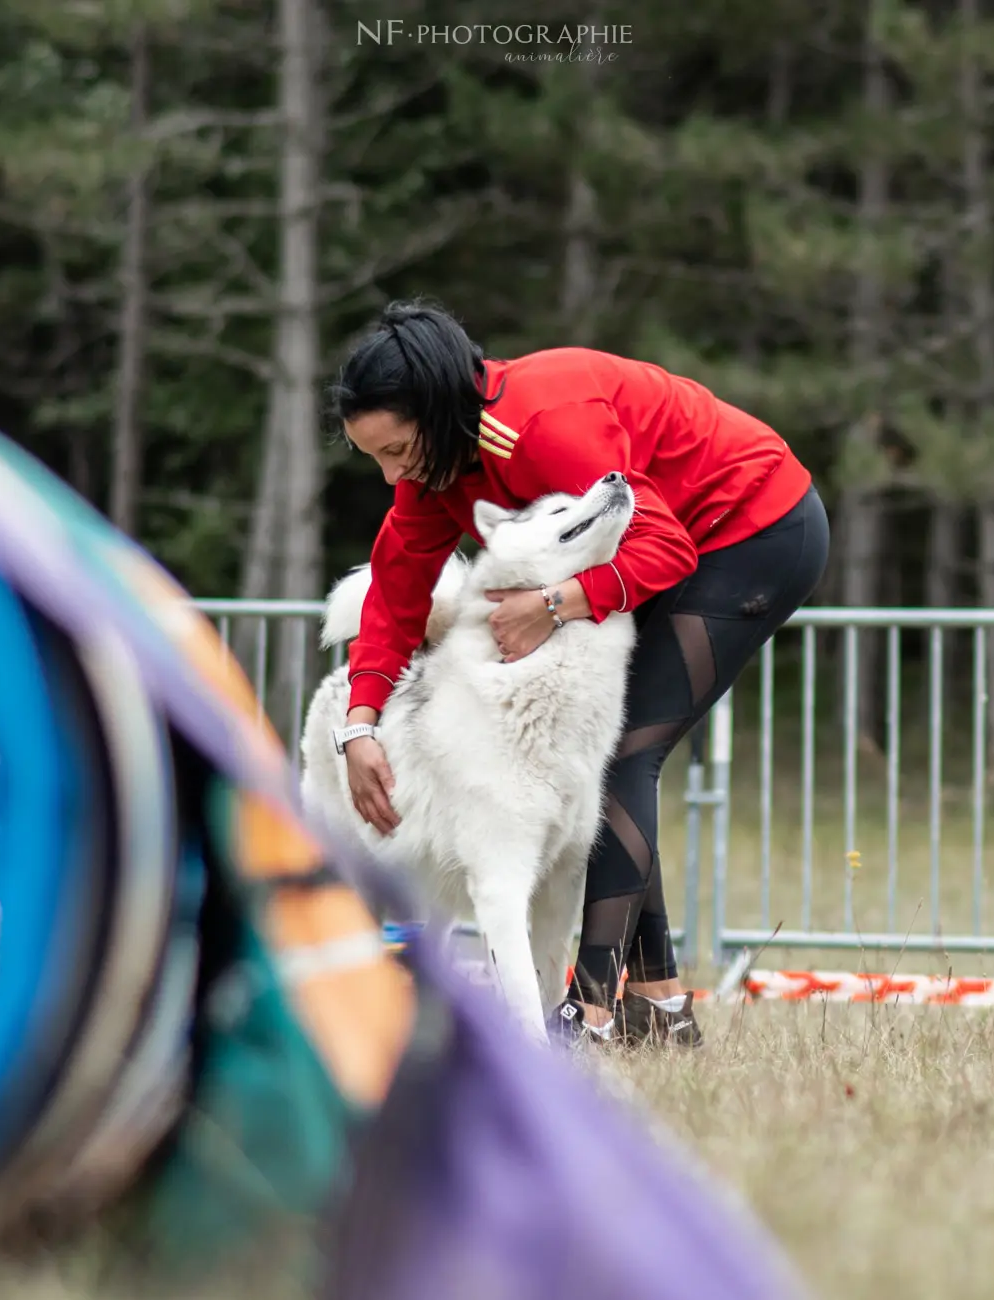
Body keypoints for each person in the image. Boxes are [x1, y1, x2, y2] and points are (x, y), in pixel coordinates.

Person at [326, 300, 828, 1048]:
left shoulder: (542, 426)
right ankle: (659, 1006)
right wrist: (358, 726)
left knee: (622, 753)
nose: (392, 472)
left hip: (754, 530)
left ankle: (591, 1012)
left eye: (398, 449)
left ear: (438, 410)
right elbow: (396, 603)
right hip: (673, 547)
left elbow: (668, 547)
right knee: (608, 757)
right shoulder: (435, 473)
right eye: (375, 457)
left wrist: (554, 604)